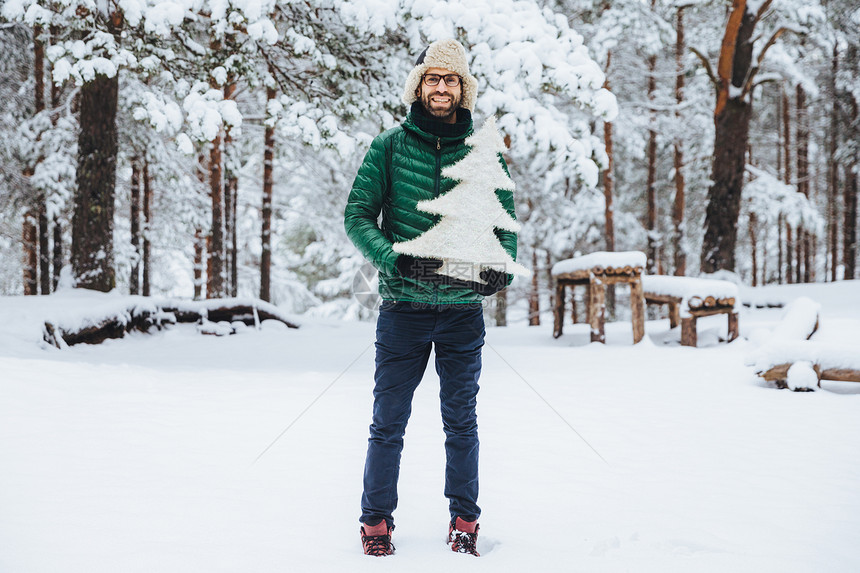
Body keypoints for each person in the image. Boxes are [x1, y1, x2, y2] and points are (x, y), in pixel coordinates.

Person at [344, 38, 519, 557]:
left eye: (451, 80)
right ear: (419, 85)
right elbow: (357, 216)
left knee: (461, 421)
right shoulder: (389, 147)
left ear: (462, 89)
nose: (440, 87)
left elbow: (505, 227)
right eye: (432, 78)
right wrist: (393, 258)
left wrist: (498, 273)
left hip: (463, 314)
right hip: (404, 311)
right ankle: (375, 523)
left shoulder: (483, 151)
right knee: (388, 420)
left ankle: (465, 521)